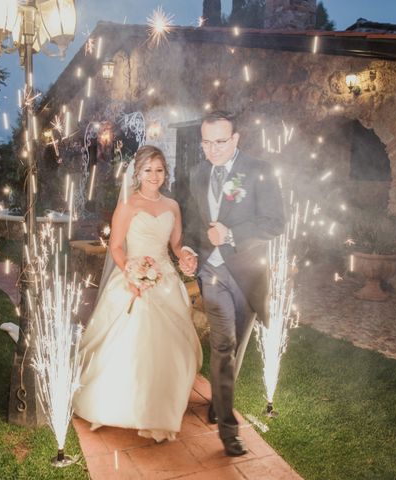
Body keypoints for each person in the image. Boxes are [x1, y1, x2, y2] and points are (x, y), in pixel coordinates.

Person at [73, 145, 202, 443]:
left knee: (175, 349)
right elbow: (116, 247)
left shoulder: (172, 206)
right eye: (148, 170)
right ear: (137, 173)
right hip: (134, 278)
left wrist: (187, 255)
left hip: (167, 280)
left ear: (165, 173)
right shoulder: (128, 206)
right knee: (137, 339)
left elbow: (176, 243)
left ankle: (162, 407)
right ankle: (123, 405)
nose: (154, 176)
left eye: (159, 170)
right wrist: (131, 272)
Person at [179, 111, 285, 456]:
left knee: (235, 348)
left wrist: (233, 233)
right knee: (223, 346)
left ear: (236, 139)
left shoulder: (259, 171)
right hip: (212, 273)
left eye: (220, 141)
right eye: (207, 142)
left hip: (248, 274)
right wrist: (189, 250)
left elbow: (276, 222)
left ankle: (218, 400)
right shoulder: (196, 174)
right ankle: (228, 430)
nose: (213, 149)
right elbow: (195, 224)